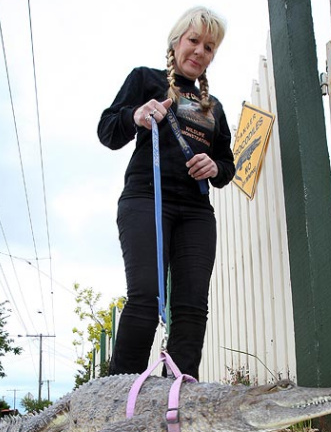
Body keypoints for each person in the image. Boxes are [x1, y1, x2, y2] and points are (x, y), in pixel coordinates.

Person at [97, 6, 235, 381]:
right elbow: (108, 131)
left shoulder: (214, 107)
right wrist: (136, 116)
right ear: (176, 42)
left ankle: (177, 407)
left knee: (192, 308)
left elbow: (227, 166)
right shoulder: (146, 79)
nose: (199, 52)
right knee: (145, 298)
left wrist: (215, 167)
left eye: (209, 47)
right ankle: (115, 401)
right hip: (146, 198)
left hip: (195, 211)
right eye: (194, 41)